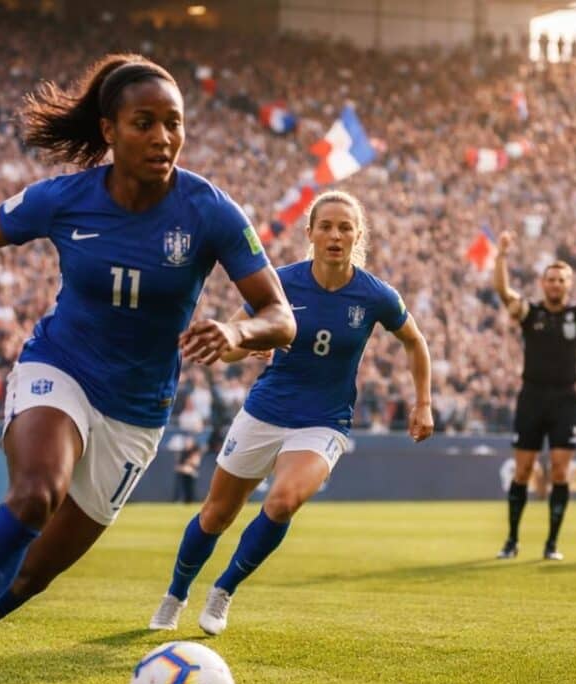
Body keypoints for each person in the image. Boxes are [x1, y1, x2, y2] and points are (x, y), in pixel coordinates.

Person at [0, 54, 295, 684]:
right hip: (58, 369)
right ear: (110, 130)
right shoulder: (66, 198)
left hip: (137, 412)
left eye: (173, 124)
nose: (162, 137)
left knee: (30, 577)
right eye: (144, 123)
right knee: (35, 493)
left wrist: (241, 334)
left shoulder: (208, 210)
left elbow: (281, 317)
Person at [149, 191, 434, 635]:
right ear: (310, 234)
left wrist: (423, 402)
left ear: (358, 235)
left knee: (283, 502)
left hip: (324, 421)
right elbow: (230, 349)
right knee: (216, 515)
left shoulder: (376, 295)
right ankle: (175, 595)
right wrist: (247, 345)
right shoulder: (279, 284)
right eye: (326, 226)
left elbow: (415, 341)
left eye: (345, 227)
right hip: (265, 412)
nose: (335, 235)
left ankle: (224, 590)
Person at [492, 231, 576, 561]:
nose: (555, 284)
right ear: (543, 283)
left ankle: (551, 544)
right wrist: (501, 256)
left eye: (561, 280)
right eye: (551, 279)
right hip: (532, 398)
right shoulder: (531, 313)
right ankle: (511, 540)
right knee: (523, 471)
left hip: (565, 400)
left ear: (569, 285)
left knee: (559, 471)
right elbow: (502, 290)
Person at [172, 438, 203, 504]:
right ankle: (179, 500)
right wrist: (183, 467)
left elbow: (196, 462)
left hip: (191, 474)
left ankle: (190, 501)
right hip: (183, 473)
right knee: (182, 488)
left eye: (189, 442)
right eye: (186, 442)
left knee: (190, 489)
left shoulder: (195, 451)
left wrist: (189, 463)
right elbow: (178, 465)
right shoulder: (183, 453)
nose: (187, 444)